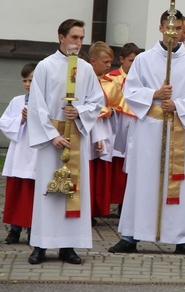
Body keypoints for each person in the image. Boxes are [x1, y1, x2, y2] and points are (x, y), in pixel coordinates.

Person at [109, 10, 185, 256]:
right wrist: (154, 94)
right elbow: (129, 91)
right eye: (169, 28)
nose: (173, 34)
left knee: (176, 181)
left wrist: (177, 105)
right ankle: (131, 234)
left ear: (183, 30)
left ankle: (181, 237)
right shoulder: (143, 60)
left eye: (178, 29)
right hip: (148, 128)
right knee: (143, 179)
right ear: (161, 28)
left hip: (175, 126)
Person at [27, 19, 105, 265]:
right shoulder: (45, 67)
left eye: (81, 38)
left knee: (73, 192)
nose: (78, 43)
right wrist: (52, 135)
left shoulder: (85, 68)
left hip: (76, 137)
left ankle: (68, 246)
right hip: (52, 137)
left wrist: (80, 111)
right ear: (61, 37)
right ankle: (40, 244)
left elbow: (97, 100)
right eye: (74, 37)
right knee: (48, 192)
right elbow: (37, 104)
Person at [0, 63, 37, 244]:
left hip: (36, 153)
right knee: (16, 192)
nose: (28, 84)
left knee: (31, 193)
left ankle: (32, 229)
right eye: (25, 80)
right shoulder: (16, 101)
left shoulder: (46, 101)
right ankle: (14, 230)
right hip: (19, 151)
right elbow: (5, 122)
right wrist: (20, 119)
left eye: (31, 80)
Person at [107, 42, 140, 214]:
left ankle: (126, 204)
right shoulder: (111, 78)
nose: (133, 65)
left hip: (133, 124)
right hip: (115, 126)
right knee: (117, 166)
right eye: (130, 61)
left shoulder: (142, 79)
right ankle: (115, 201)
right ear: (121, 60)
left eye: (136, 61)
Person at [89, 41, 119, 223]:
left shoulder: (111, 84)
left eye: (110, 62)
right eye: (105, 62)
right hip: (88, 129)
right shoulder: (83, 82)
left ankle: (97, 208)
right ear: (93, 61)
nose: (109, 66)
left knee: (100, 172)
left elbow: (120, 107)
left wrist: (111, 111)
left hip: (105, 130)